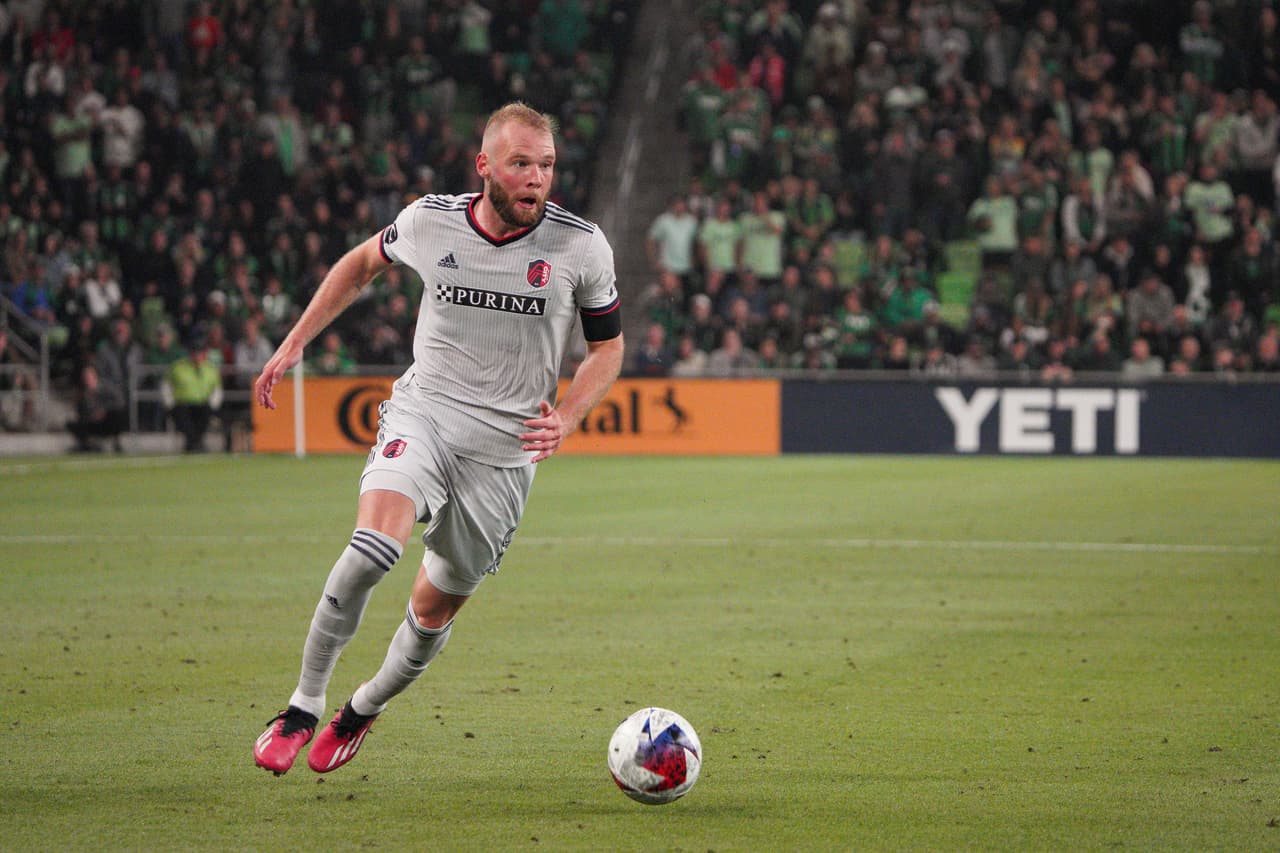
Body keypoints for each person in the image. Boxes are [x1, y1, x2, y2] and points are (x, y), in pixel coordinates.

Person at [251, 103, 624, 776]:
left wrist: (567, 417)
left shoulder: (581, 246)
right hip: (425, 414)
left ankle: (361, 708)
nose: (536, 179)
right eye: (520, 164)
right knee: (371, 548)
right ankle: (302, 705)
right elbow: (361, 263)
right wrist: (295, 341)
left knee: (433, 606)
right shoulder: (431, 221)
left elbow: (609, 347)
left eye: (546, 165)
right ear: (485, 166)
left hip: (505, 455)